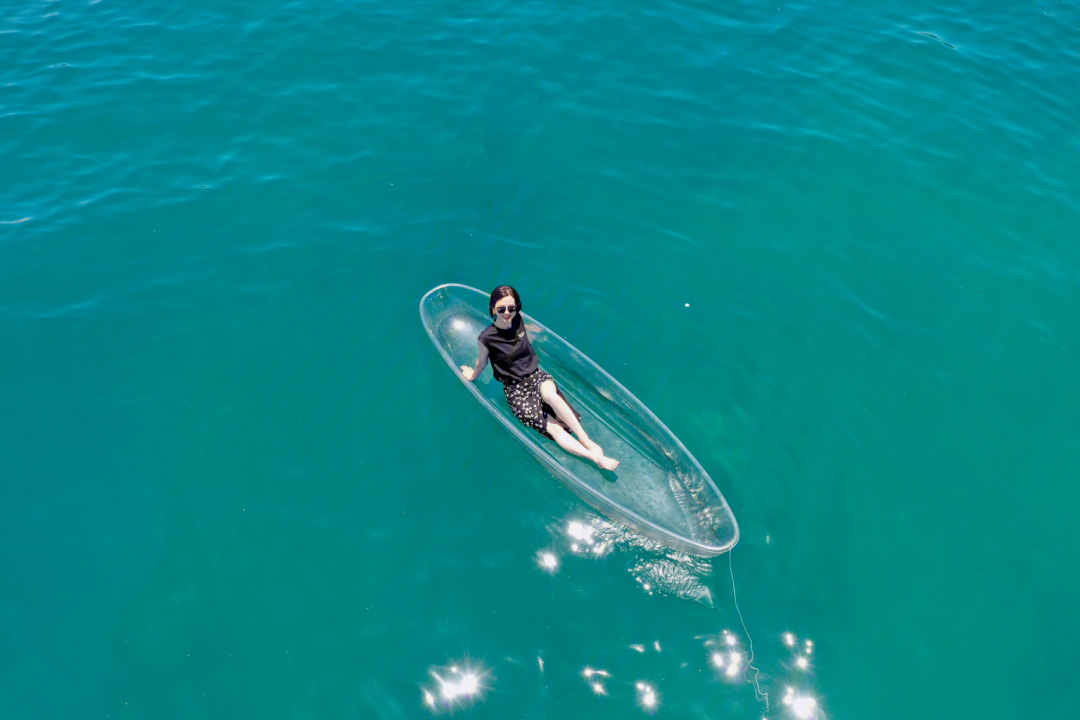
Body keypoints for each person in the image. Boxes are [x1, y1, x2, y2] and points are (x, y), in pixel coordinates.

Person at [460, 285, 620, 471]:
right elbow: (481, 362)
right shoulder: (486, 338)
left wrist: (534, 334)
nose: (506, 313)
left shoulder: (518, 320)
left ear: (517, 308)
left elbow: (528, 333)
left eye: (511, 308)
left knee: (551, 396)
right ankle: (594, 457)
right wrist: (472, 375)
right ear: (493, 309)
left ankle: (584, 438)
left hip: (536, 377)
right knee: (554, 429)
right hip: (517, 392)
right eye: (501, 309)